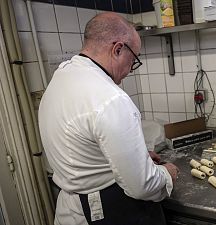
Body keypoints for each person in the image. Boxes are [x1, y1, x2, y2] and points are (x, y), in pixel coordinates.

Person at [39, 12, 179, 225]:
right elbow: (142, 186)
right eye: (133, 60)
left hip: (71, 210)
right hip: (106, 212)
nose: (131, 70)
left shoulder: (62, 78)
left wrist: (136, 158)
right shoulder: (111, 99)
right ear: (118, 49)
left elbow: (85, 149)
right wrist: (167, 174)